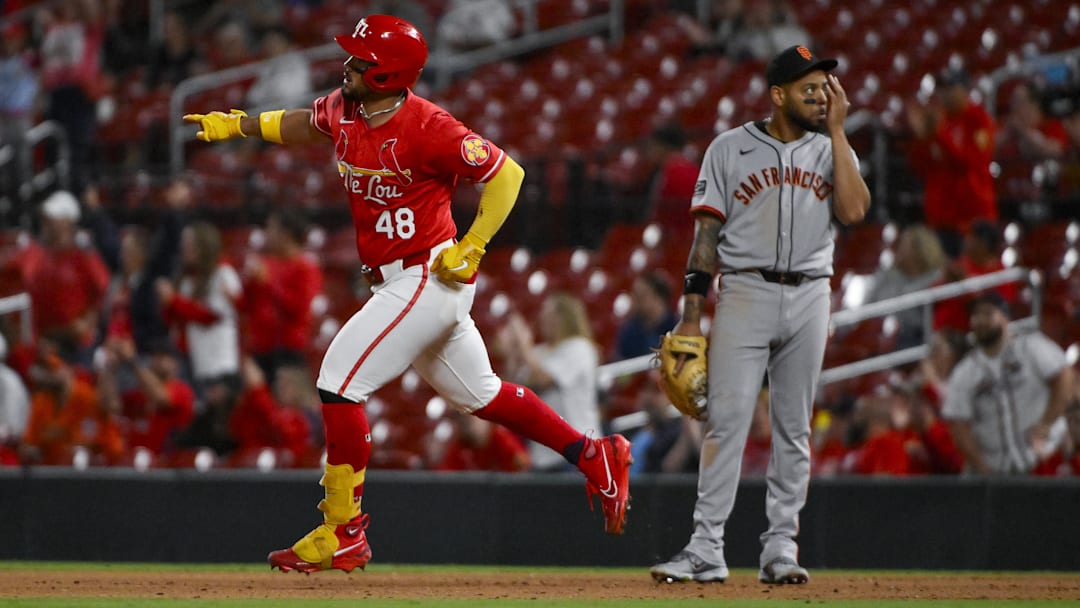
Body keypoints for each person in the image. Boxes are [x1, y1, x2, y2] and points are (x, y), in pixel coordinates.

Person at [182, 14, 632, 574]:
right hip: (396, 279)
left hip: (429, 276)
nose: (348, 65)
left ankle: (343, 531)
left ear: (388, 73)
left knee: (339, 380)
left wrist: (474, 246)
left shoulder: (428, 125)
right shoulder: (347, 106)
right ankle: (594, 454)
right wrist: (241, 126)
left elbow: (507, 176)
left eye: (361, 60)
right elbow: (305, 122)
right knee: (482, 395)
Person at [650, 45, 870, 585]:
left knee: (794, 428)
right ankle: (706, 548)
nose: (820, 97)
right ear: (778, 95)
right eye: (808, 89)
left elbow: (856, 210)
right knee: (726, 423)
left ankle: (780, 548)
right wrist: (692, 316)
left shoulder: (830, 150)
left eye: (825, 88)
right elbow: (706, 236)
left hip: (812, 294)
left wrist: (839, 133)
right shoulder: (729, 149)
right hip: (746, 290)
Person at [942, 291, 1074, 475]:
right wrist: (981, 466)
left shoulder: (1031, 347)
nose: (980, 321)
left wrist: (1047, 422)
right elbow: (958, 424)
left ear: (1005, 318)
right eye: (976, 315)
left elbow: (1064, 377)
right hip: (999, 469)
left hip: (1046, 457)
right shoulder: (965, 371)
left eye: (988, 314)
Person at [497, 292, 602, 472]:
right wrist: (512, 355)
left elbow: (543, 379)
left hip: (578, 451)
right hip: (543, 455)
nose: (543, 320)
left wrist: (524, 346)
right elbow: (514, 389)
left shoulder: (579, 348)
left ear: (564, 318)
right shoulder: (539, 352)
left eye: (549, 316)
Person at [7, 190, 111, 366]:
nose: (47, 224)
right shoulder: (34, 254)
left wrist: (88, 323)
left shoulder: (83, 257)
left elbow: (104, 291)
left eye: (52, 219)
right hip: (44, 342)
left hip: (77, 346)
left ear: (68, 222)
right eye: (46, 219)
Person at [905, 66, 996, 258]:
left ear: (964, 90)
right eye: (942, 89)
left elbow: (966, 164)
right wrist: (921, 137)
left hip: (972, 217)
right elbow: (920, 166)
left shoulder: (978, 120)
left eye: (950, 88)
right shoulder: (938, 119)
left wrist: (938, 134)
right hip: (941, 217)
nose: (944, 94)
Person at [238, 207, 323, 382]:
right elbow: (246, 306)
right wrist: (246, 284)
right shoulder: (265, 263)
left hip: (288, 350)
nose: (266, 234)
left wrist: (268, 283)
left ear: (286, 234)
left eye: (271, 228)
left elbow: (297, 309)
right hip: (260, 349)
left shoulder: (306, 268)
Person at [864, 224, 946, 348]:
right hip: (879, 334)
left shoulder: (936, 277)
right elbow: (867, 306)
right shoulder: (887, 274)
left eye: (903, 244)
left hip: (912, 338)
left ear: (919, 250)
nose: (897, 248)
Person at [431, 409, 530, 472]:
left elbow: (523, 466)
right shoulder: (461, 444)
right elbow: (445, 477)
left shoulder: (500, 436)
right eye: (460, 418)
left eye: (471, 417)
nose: (465, 422)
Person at [613, 271, 678, 360]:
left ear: (658, 298)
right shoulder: (629, 331)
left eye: (641, 296)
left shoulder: (678, 328)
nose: (634, 301)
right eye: (633, 295)